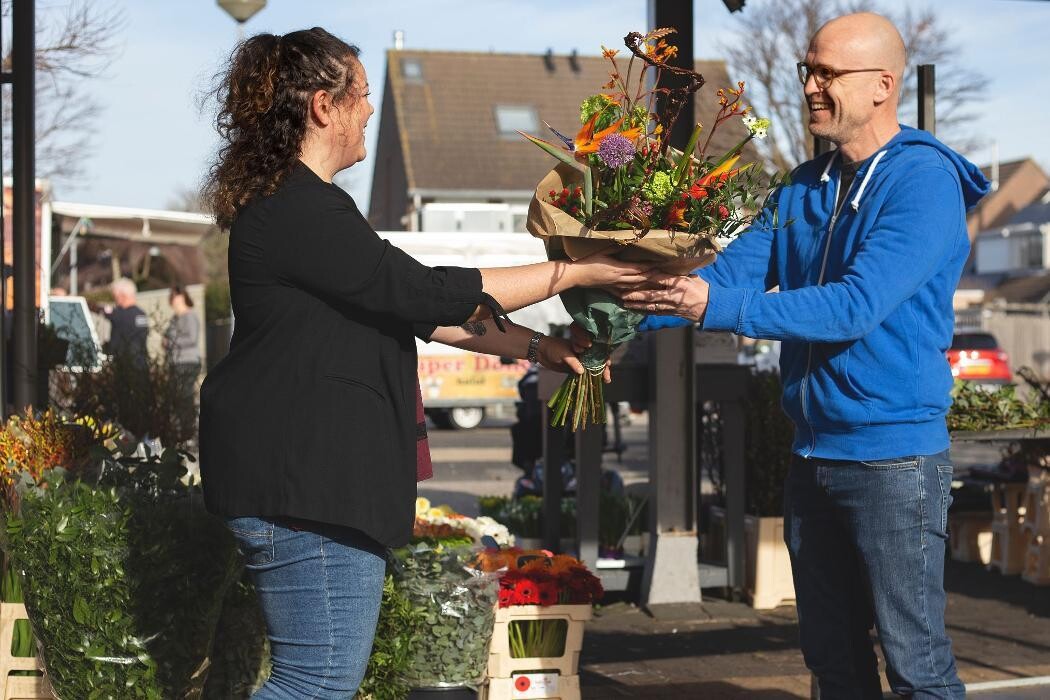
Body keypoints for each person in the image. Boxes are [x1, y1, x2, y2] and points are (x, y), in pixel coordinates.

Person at [198, 27, 649, 699]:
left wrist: (540, 347)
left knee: (313, 680)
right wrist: (569, 270)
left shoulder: (305, 207)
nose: (371, 112)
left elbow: (418, 311)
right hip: (304, 487)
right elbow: (421, 291)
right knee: (314, 683)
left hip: (301, 481)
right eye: (362, 95)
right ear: (324, 105)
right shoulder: (296, 209)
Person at [616, 12, 988, 699]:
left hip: (893, 461)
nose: (812, 87)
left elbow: (853, 305)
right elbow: (726, 281)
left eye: (827, 73)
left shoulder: (922, 184)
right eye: (807, 71)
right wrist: (610, 322)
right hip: (813, 456)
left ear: (883, 85)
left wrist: (712, 308)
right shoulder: (801, 186)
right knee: (832, 659)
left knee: (917, 666)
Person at [163, 285, 201, 414]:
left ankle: (188, 424)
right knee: (177, 397)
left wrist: (171, 343)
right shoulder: (174, 319)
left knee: (185, 396)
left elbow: (191, 338)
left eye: (178, 299)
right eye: (173, 299)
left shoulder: (189, 316)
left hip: (187, 362)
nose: (175, 302)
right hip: (175, 362)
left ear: (184, 299)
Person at [103, 277, 148, 366]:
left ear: (122, 295)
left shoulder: (121, 315)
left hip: (126, 366)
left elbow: (104, 310)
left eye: (115, 296)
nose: (115, 300)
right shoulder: (141, 314)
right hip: (141, 364)